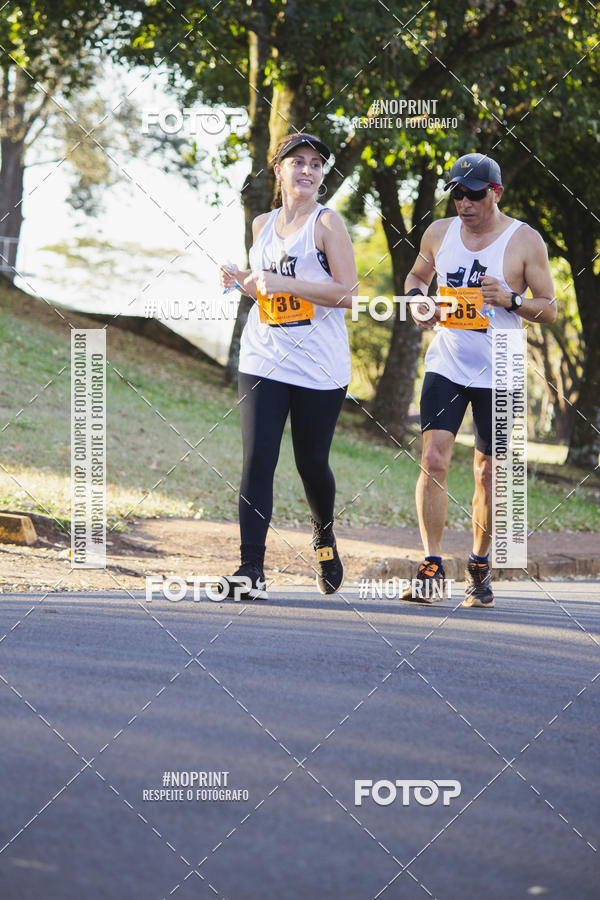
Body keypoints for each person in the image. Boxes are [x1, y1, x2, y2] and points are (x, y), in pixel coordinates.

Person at [402, 152, 556, 608]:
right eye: (456, 194)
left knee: (488, 473)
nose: (463, 203)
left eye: (472, 194)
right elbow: (416, 275)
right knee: (433, 458)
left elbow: (548, 308)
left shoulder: (524, 241)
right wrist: (417, 301)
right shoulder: (438, 233)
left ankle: (479, 565)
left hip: (502, 364)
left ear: (496, 193)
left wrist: (510, 299)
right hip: (447, 360)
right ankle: (431, 565)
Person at [219, 133, 357, 600]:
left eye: (316, 164)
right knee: (258, 458)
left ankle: (323, 536)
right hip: (264, 357)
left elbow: (346, 294)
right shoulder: (261, 224)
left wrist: (279, 281)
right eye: (297, 162)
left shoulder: (327, 225)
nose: (307, 170)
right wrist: (241, 282)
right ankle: (250, 569)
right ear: (277, 170)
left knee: (311, 462)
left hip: (319, 366)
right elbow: (265, 290)